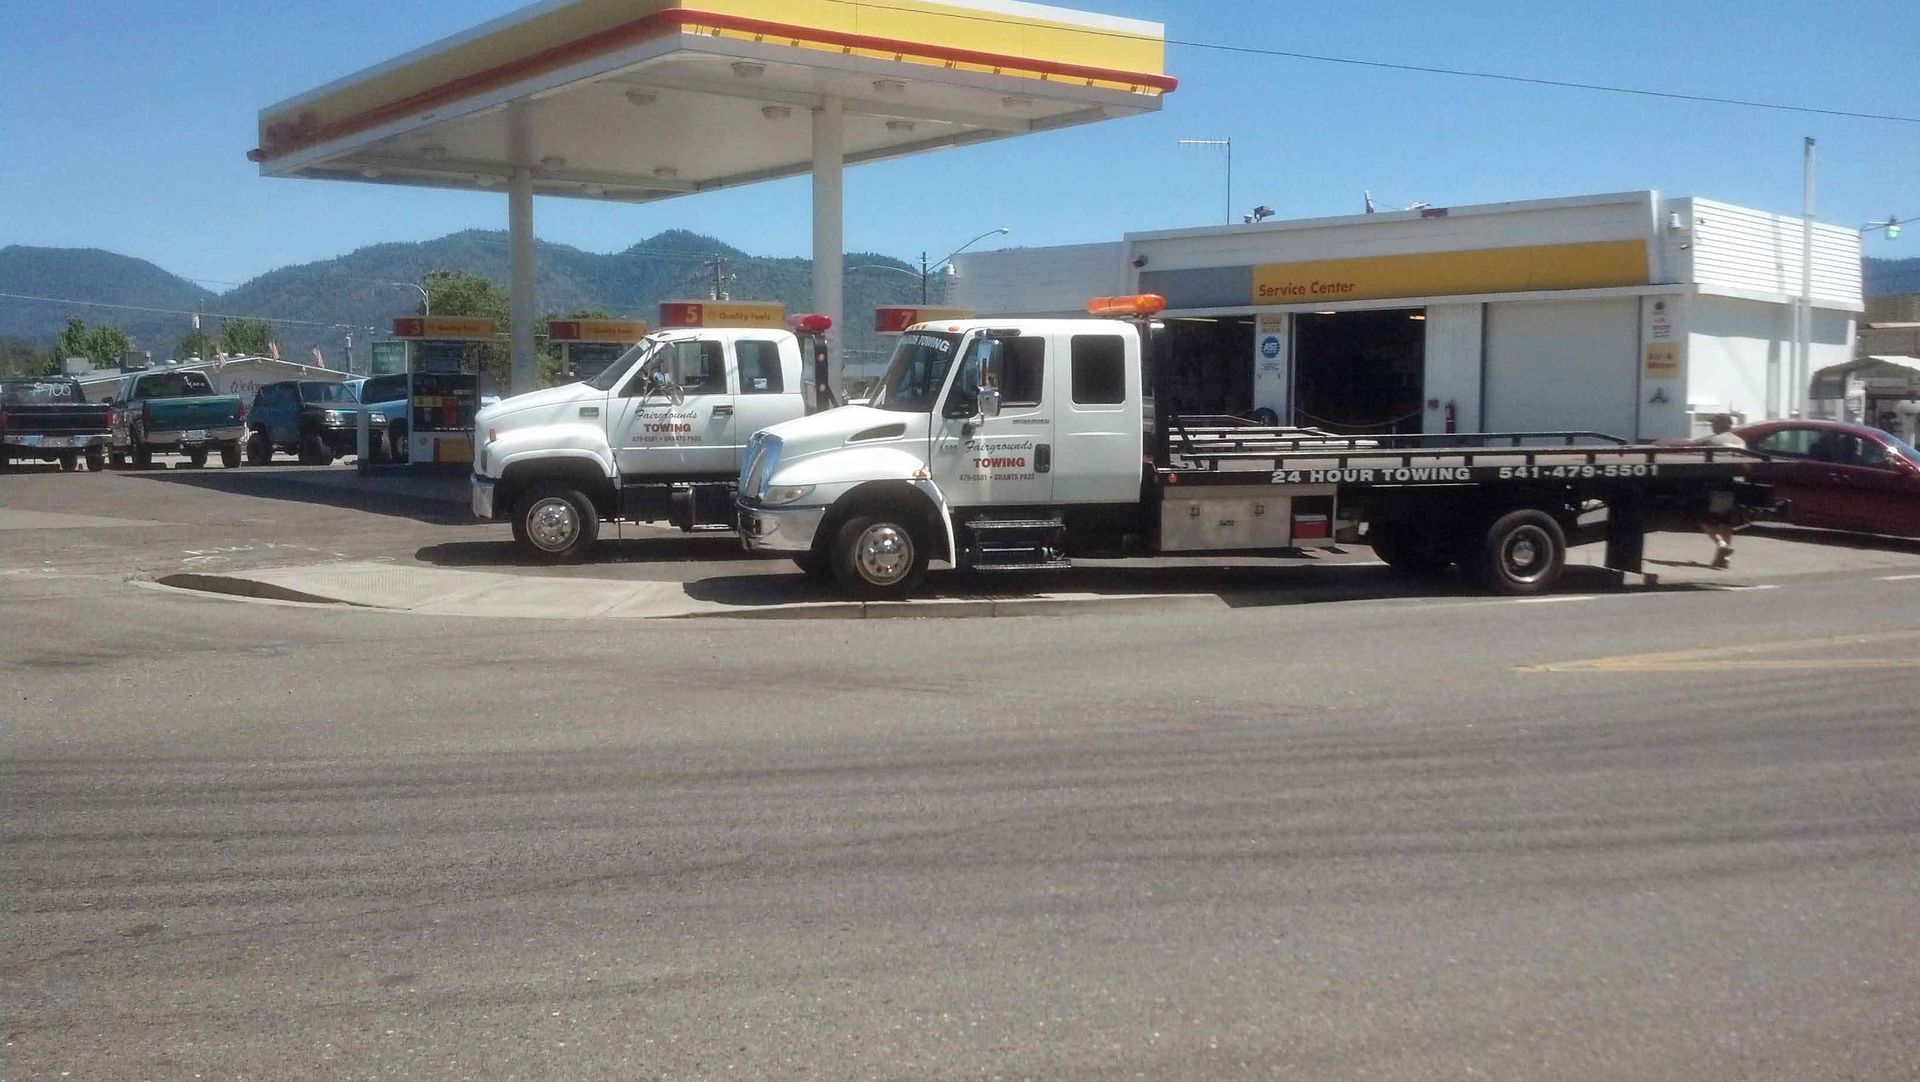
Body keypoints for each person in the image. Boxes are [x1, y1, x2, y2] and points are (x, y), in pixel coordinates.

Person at [1691, 414, 1745, 567]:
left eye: (1714, 423)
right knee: (1726, 522)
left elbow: (1691, 446)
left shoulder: (1713, 440)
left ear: (1723, 423)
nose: (1712, 426)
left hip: (1717, 483)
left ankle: (1721, 544)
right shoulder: (1740, 441)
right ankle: (1723, 559)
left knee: (1705, 519)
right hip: (1737, 484)